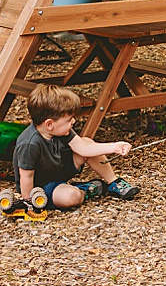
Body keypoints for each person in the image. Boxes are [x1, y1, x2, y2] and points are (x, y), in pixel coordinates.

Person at [11, 84, 140, 209]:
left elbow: (84, 148)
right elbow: (26, 177)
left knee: (87, 142)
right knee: (72, 197)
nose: (73, 121)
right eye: (69, 119)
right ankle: (85, 190)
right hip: (42, 187)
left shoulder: (61, 129)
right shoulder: (30, 144)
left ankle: (113, 182)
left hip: (59, 170)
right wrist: (28, 202)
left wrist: (114, 147)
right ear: (49, 124)